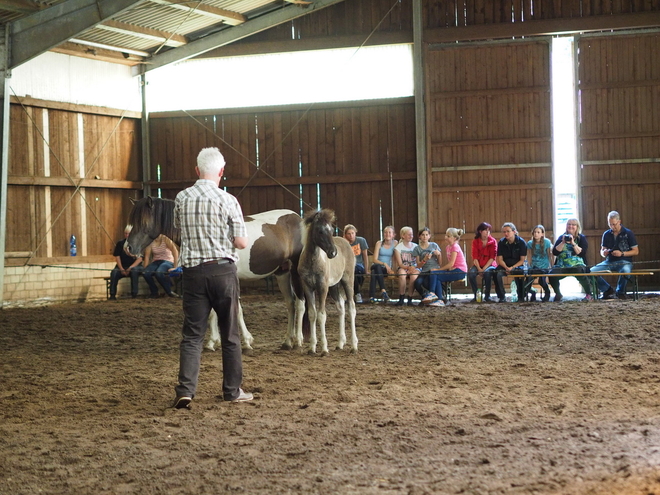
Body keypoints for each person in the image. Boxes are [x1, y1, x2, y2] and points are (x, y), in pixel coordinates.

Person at [172, 147, 252, 409]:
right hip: (222, 272)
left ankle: (185, 390)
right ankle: (232, 391)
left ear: (197, 170)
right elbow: (240, 242)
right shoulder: (228, 200)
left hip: (193, 273)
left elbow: (179, 234)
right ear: (221, 171)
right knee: (229, 334)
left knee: (192, 335)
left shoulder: (182, 198)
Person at [590, 211, 639, 300]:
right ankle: (607, 289)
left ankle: (620, 292)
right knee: (590, 272)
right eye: (610, 224)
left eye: (614, 224)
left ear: (619, 222)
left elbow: (636, 251)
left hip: (625, 261)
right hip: (609, 261)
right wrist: (604, 252)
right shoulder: (606, 234)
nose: (612, 227)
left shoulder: (628, 233)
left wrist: (622, 253)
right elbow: (602, 250)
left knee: (625, 271)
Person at [548, 218, 593, 302]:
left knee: (580, 271)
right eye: (569, 224)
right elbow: (555, 252)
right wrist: (563, 242)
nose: (571, 226)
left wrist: (573, 243)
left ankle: (589, 294)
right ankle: (558, 294)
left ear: (577, 227)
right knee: (552, 274)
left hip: (576, 264)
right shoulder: (562, 237)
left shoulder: (581, 238)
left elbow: (582, 253)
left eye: (573, 224)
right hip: (562, 265)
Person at [427, 228, 468, 307]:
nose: (446, 237)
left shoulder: (455, 247)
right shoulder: (448, 247)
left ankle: (433, 294)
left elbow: (451, 263)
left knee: (434, 273)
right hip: (454, 269)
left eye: (448, 236)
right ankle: (439, 299)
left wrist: (438, 269)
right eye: (446, 235)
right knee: (436, 276)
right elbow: (451, 264)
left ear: (455, 238)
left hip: (460, 271)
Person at [494, 222, 527, 303]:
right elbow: (500, 259)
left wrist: (512, 268)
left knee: (521, 273)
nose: (506, 233)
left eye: (508, 231)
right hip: (505, 265)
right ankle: (502, 296)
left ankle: (521, 296)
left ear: (514, 232)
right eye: (504, 232)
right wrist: (506, 268)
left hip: (517, 265)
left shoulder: (521, 242)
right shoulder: (501, 242)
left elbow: (522, 260)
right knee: (496, 273)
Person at [108, 225, 143, 300]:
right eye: (126, 233)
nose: (127, 235)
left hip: (134, 266)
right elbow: (117, 257)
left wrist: (130, 268)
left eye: (129, 234)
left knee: (134, 271)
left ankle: (134, 294)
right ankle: (112, 295)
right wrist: (121, 269)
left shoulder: (138, 244)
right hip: (122, 266)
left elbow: (140, 259)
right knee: (114, 272)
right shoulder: (120, 243)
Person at [468, 222, 497, 302]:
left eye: (489, 231)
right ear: (480, 231)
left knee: (487, 273)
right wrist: (479, 268)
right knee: (471, 274)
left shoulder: (493, 241)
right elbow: (475, 257)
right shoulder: (475, 241)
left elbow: (492, 257)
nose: (488, 232)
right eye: (485, 230)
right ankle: (476, 294)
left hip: (489, 264)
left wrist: (483, 269)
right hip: (478, 264)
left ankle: (487, 296)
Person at [412, 227, 442, 305]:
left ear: (429, 236)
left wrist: (439, 254)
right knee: (417, 283)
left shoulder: (434, 245)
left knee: (428, 282)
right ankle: (425, 296)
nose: (425, 236)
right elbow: (418, 265)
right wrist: (424, 260)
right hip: (424, 270)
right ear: (419, 236)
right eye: (423, 235)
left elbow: (440, 263)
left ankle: (439, 297)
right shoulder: (417, 248)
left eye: (426, 235)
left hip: (434, 269)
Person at [523, 225, 552, 302]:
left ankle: (547, 293)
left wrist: (551, 266)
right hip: (534, 265)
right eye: (535, 232)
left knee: (542, 281)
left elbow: (550, 254)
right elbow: (529, 256)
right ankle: (533, 292)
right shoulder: (530, 243)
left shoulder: (547, 242)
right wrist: (528, 266)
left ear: (542, 234)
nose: (536, 234)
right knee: (528, 281)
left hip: (544, 265)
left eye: (538, 232)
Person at [369, 226, 398, 303]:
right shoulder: (379, 243)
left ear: (393, 235)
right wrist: (384, 263)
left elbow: (395, 258)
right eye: (385, 232)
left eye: (389, 232)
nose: (387, 234)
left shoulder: (395, 243)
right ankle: (383, 290)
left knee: (374, 273)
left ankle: (372, 296)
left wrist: (393, 270)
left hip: (385, 270)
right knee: (377, 267)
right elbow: (374, 259)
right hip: (376, 265)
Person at [393, 226, 420, 306]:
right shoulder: (398, 248)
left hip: (414, 267)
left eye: (411, 234)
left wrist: (413, 268)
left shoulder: (416, 246)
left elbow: (418, 261)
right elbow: (400, 263)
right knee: (402, 275)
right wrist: (407, 268)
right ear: (403, 235)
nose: (411, 236)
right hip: (403, 267)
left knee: (414, 276)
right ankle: (401, 297)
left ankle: (410, 298)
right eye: (408, 234)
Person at [343, 224, 369, 303]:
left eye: (352, 233)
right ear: (345, 235)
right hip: (347, 265)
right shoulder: (344, 243)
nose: (351, 235)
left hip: (358, 264)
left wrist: (366, 269)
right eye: (348, 234)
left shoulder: (361, 241)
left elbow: (365, 256)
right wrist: (346, 243)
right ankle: (356, 293)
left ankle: (355, 293)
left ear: (355, 233)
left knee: (355, 272)